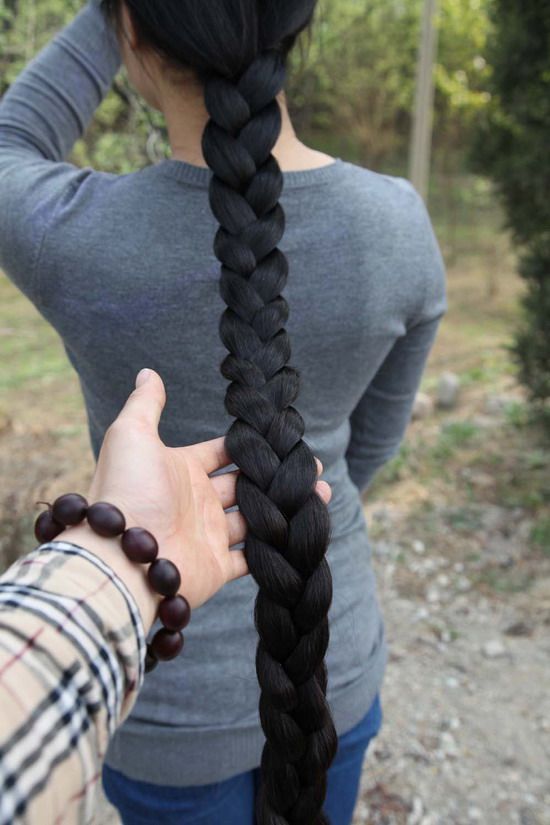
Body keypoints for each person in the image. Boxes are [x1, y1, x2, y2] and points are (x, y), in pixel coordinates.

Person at [0, 1, 448, 822]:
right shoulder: (398, 227)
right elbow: (369, 449)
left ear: (131, 30)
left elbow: (8, 137)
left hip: (164, 688)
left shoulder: (76, 235)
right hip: (333, 656)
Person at [0, 366, 333, 824]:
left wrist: (114, 553)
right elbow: (378, 439)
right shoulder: (402, 289)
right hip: (328, 675)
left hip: (165, 721)